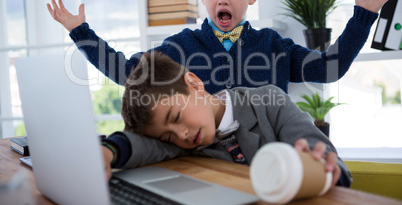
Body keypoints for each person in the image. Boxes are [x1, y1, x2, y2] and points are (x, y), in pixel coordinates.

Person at [47, 0, 392, 94]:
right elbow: (127, 73)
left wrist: (364, 17)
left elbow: (329, 69)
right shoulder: (180, 47)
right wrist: (80, 31)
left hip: (267, 164)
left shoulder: (274, 46)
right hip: (206, 164)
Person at [100, 51, 351, 188]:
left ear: (194, 83)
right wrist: (108, 151)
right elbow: (142, 145)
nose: (180, 136)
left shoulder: (269, 102)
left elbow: (334, 166)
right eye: (167, 136)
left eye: (176, 116)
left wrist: (321, 169)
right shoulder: (184, 143)